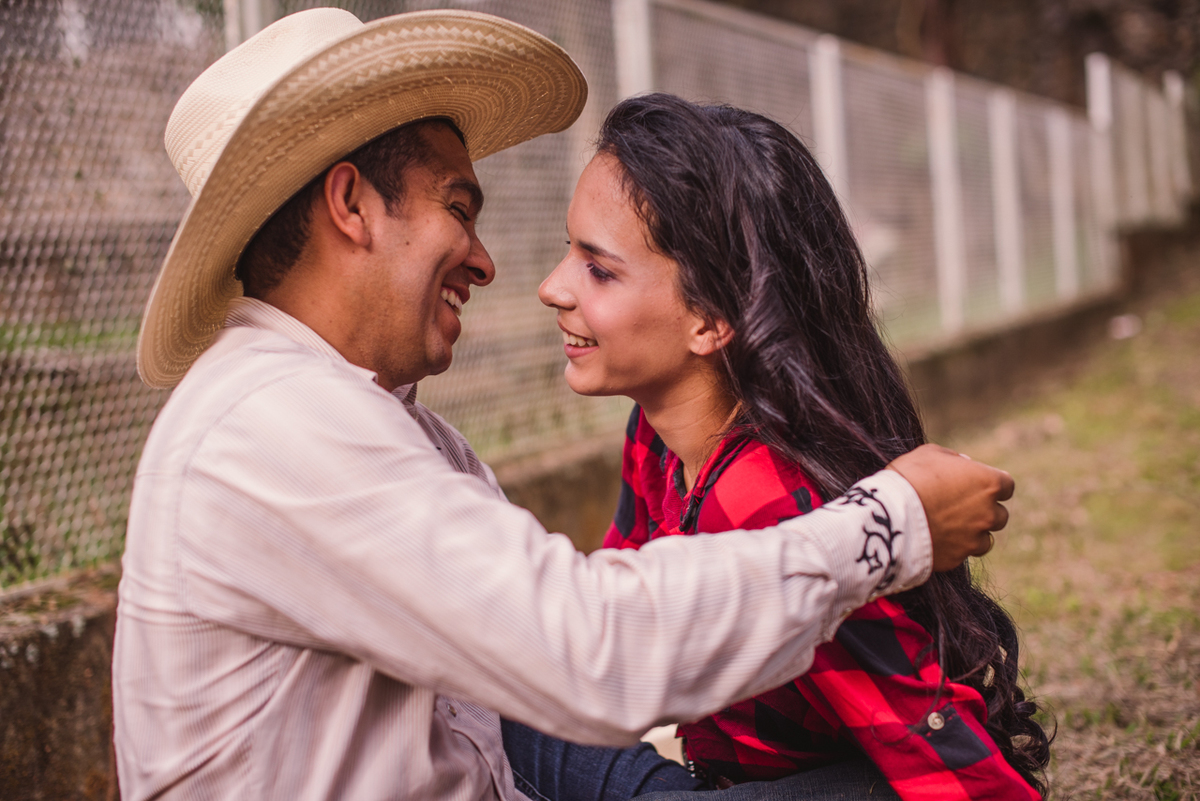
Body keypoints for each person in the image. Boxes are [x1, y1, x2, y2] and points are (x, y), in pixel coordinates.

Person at [114, 9, 1015, 800]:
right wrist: (890, 524)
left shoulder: (368, 417)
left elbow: (552, 654)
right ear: (351, 203)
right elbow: (590, 646)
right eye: (458, 207)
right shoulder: (279, 424)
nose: (489, 261)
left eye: (597, 264)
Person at [508, 94, 1049, 800]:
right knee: (500, 700)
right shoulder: (658, 438)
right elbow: (619, 620)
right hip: (722, 777)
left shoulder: (763, 492)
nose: (553, 287)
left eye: (598, 269)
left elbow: (918, 725)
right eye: (568, 249)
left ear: (709, 317)